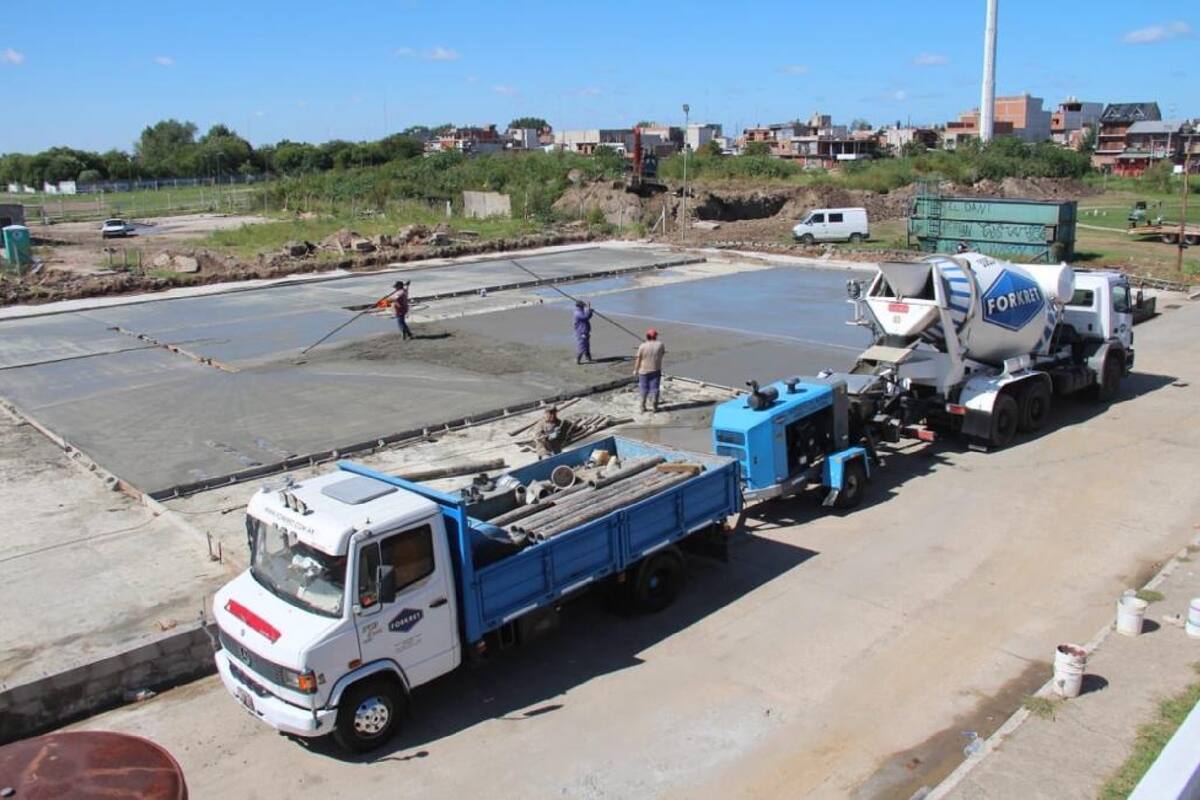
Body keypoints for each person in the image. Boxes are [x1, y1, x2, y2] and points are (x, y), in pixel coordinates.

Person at [633, 328, 665, 413]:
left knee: (644, 388)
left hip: (643, 372)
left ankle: (642, 407)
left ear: (647, 336)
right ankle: (655, 407)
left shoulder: (642, 346)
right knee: (655, 389)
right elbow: (662, 354)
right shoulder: (660, 345)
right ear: (655, 336)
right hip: (655, 370)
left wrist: (635, 370)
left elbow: (638, 360)